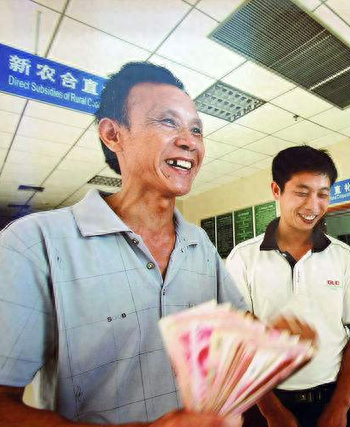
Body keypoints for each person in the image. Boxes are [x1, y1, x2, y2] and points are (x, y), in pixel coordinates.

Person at [0, 62, 249, 426]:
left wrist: (278, 338)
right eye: (168, 122)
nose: (190, 141)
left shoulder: (199, 243)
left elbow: (238, 326)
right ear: (113, 135)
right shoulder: (34, 244)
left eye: (196, 129)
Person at [226, 146, 350, 427]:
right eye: (302, 192)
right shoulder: (243, 258)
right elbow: (237, 342)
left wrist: (340, 405)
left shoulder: (343, 256)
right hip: (263, 401)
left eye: (323, 194)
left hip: (333, 397)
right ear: (276, 190)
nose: (313, 206)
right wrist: (272, 412)